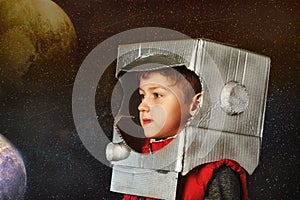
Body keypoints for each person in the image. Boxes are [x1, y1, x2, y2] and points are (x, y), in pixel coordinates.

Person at [122, 65, 249, 200]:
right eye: (142, 95)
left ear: (195, 105)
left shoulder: (217, 174)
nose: (142, 106)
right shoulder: (137, 162)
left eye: (157, 95)